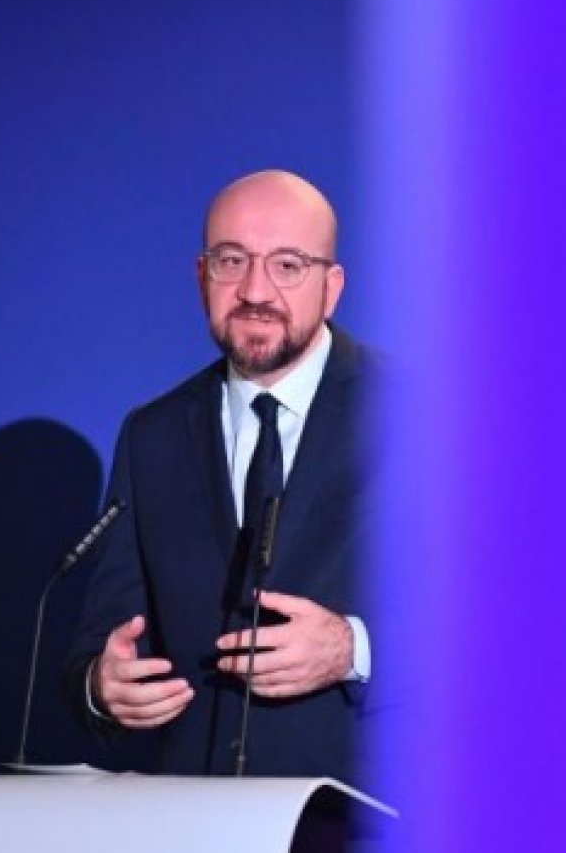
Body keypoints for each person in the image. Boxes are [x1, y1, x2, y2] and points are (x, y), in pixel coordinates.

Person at [67, 170, 383, 788]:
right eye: (231, 261)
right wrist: (101, 688)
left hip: (375, 815)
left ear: (332, 287)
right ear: (201, 276)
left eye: (287, 265)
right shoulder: (152, 434)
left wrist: (355, 650)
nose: (255, 291)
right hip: (197, 815)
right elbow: (102, 640)